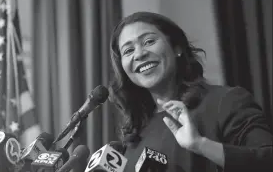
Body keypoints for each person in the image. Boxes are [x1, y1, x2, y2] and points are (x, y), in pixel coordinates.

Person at [108, 11, 273, 172]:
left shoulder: (226, 101)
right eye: (128, 51)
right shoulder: (134, 137)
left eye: (149, 41)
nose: (139, 54)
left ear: (177, 47)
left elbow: (267, 160)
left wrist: (201, 144)